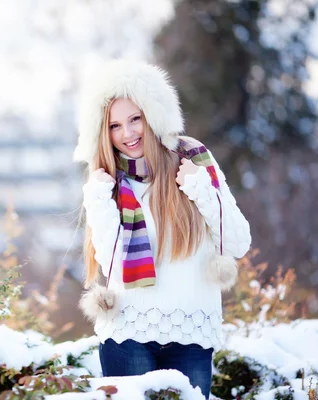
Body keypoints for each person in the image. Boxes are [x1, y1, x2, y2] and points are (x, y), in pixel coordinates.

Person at [75, 59, 251, 398]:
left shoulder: (194, 160)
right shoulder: (107, 182)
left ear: (153, 114)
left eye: (135, 119)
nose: (127, 134)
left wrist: (200, 188)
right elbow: (112, 264)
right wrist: (98, 197)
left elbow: (238, 242)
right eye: (114, 126)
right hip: (127, 334)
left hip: (191, 332)